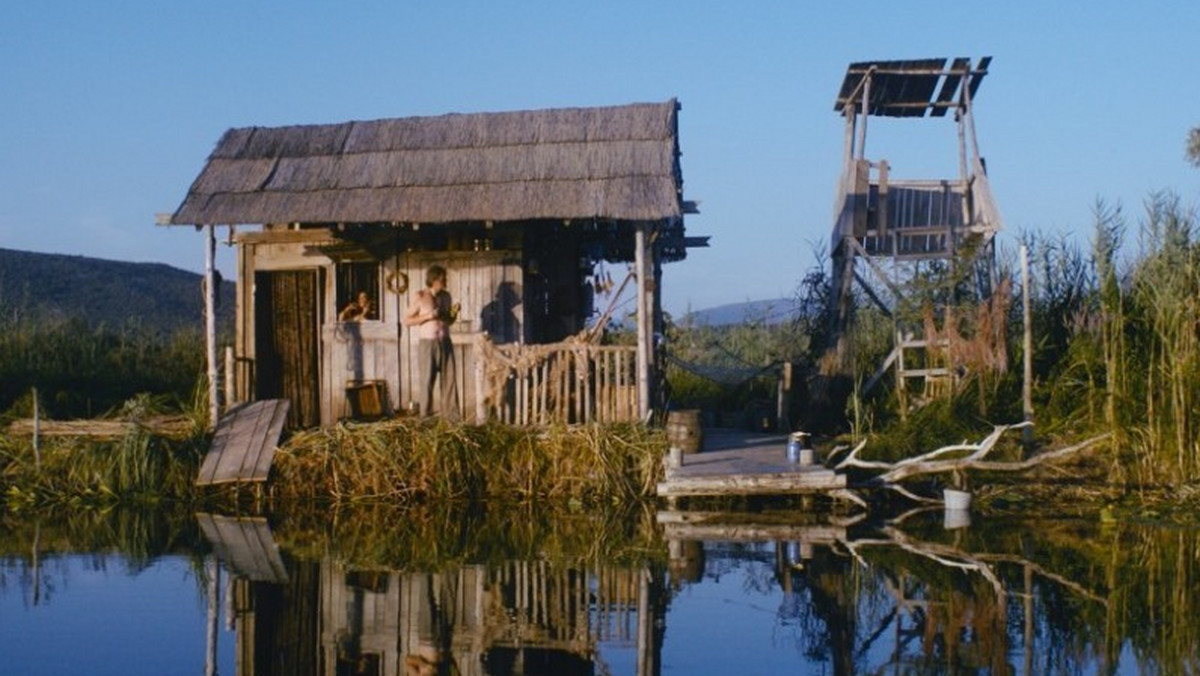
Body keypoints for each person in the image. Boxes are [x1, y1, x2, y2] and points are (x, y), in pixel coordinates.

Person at [403, 265, 460, 420]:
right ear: (434, 280)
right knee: (427, 381)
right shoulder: (421, 296)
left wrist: (454, 314)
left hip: (445, 342)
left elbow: (449, 320)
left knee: (450, 381)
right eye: (443, 279)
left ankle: (453, 419)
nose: (446, 281)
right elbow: (407, 320)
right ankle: (425, 419)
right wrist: (428, 316)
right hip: (428, 344)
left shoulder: (446, 296)